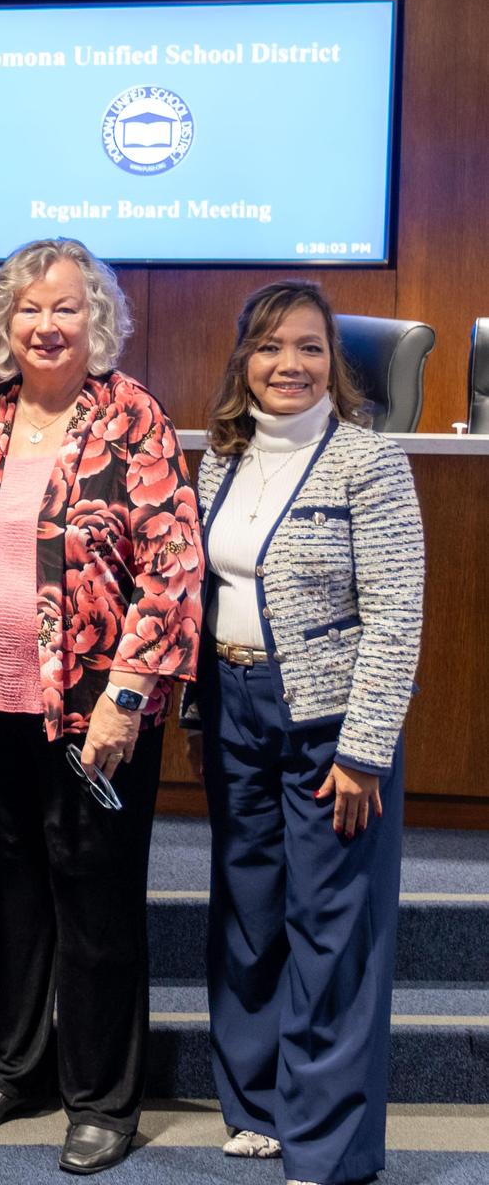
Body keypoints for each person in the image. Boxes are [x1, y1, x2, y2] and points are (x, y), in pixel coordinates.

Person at [0, 237, 203, 1175]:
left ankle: (103, 1097)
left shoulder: (135, 421)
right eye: (30, 309)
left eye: (67, 308)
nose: (47, 325)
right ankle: (13, 1068)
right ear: (5, 324)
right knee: (6, 893)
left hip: (98, 711)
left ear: (99, 321)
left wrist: (129, 696)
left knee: (95, 900)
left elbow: (174, 571)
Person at [186, 281, 422, 1185]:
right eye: (271, 346)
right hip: (236, 709)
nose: (290, 365)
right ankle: (254, 1104)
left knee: (332, 924)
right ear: (243, 358)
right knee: (248, 911)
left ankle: (327, 1143)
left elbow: (397, 614)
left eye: (311, 348)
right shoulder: (222, 457)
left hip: (332, 726)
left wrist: (364, 751)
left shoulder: (370, 460)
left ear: (336, 362)